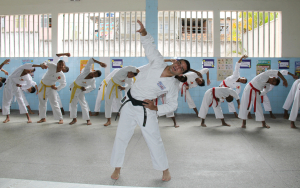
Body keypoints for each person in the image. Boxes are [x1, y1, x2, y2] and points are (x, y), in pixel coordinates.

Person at [110, 20, 190, 181]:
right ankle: (117, 167)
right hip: (129, 103)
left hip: (147, 109)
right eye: (178, 63)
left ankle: (164, 169)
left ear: (180, 74)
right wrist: (144, 33)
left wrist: (156, 109)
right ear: (174, 61)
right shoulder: (158, 62)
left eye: (181, 68)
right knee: (121, 136)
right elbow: (150, 47)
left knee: (154, 139)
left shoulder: (172, 85)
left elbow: (173, 104)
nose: (178, 67)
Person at [69, 58, 106, 125]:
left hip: (81, 90)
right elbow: (91, 60)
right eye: (94, 73)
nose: (93, 75)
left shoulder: (92, 80)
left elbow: (93, 87)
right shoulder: (87, 70)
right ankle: (74, 119)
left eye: (95, 75)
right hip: (74, 88)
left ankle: (87, 119)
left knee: (83, 104)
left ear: (96, 77)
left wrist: (85, 89)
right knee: (73, 104)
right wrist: (100, 63)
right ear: (93, 71)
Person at [37, 53, 70, 124]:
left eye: (62, 65)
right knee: (42, 103)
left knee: (54, 103)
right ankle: (43, 118)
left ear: (64, 66)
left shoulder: (61, 75)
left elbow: (63, 84)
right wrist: (44, 64)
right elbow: (45, 62)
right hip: (42, 86)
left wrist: (57, 88)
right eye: (60, 64)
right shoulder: (52, 65)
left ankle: (60, 118)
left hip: (51, 89)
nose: (61, 66)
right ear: (57, 64)